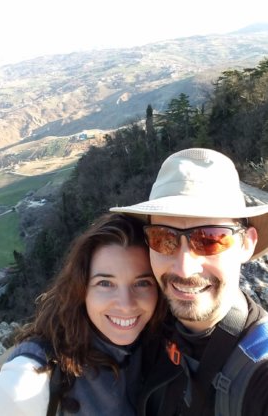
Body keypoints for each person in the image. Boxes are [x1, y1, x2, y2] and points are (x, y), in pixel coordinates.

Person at [111, 148, 268, 415]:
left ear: (246, 244)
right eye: (164, 238)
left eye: (210, 239)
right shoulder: (143, 320)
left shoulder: (259, 371)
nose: (184, 268)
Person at [0, 213, 165, 415]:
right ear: (81, 289)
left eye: (142, 283)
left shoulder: (161, 344)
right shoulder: (28, 379)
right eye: (105, 283)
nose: (126, 304)